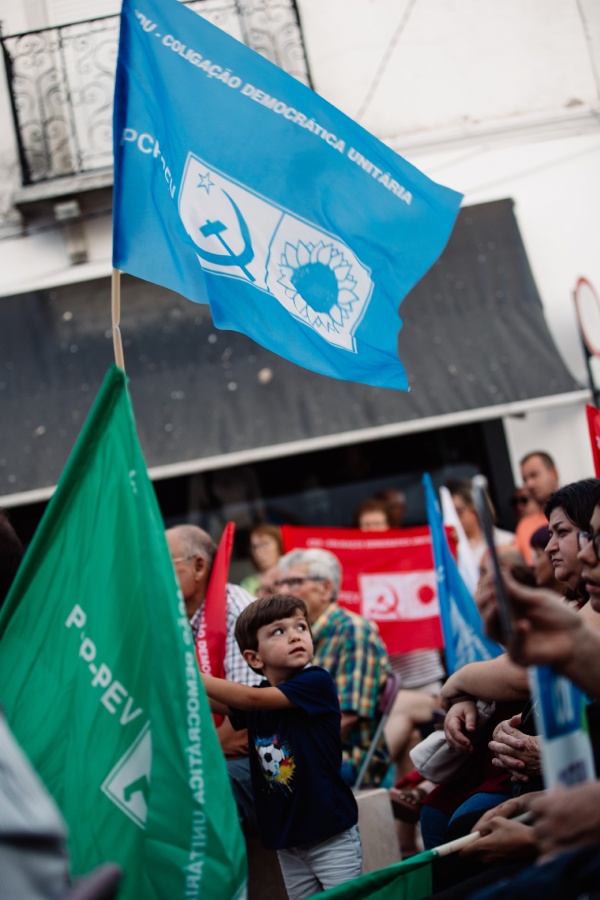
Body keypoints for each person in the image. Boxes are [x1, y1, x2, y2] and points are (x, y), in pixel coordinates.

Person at [201, 594, 362, 900]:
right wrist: (171, 681)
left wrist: (188, 674)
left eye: (301, 627)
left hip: (331, 834)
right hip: (288, 841)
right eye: (278, 631)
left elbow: (249, 699)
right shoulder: (261, 696)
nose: (294, 635)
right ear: (254, 658)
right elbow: (213, 699)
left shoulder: (315, 682)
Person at [165, 524, 262, 834]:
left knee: (197, 790)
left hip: (269, 757)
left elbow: (247, 730)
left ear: (198, 566)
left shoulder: (236, 612)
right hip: (209, 751)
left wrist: (188, 760)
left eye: (165, 563)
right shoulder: (173, 622)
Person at [274, 548, 390, 785]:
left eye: (294, 582)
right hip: (304, 748)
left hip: (347, 756)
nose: (284, 592)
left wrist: (288, 755)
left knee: (253, 778)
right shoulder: (299, 635)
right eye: (281, 583)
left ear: (326, 588)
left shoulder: (353, 631)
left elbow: (346, 720)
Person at [448, 479, 515, 568]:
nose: (455, 519)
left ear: (476, 507)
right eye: (452, 514)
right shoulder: (453, 550)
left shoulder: (508, 541)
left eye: (459, 511)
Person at [515, 451, 559, 563]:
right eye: (525, 480)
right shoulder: (524, 526)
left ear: (553, 473)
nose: (529, 484)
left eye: (534, 475)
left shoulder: (576, 511)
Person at [240, 523, 283, 595]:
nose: (258, 551)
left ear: (279, 544)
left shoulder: (294, 573)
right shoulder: (248, 585)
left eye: (264, 544)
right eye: (254, 547)